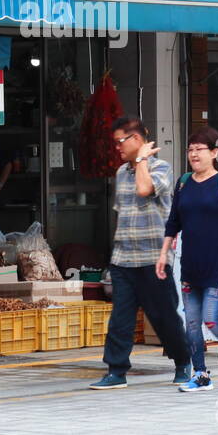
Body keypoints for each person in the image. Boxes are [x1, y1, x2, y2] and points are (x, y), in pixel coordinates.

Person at [89, 116, 193, 390]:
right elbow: (121, 214)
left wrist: (142, 161)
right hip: (123, 259)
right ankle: (116, 370)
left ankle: (183, 362)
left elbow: (145, 188)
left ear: (136, 140)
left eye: (120, 142)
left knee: (164, 316)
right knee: (120, 318)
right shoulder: (121, 173)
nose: (117, 148)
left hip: (154, 259)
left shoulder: (162, 168)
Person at [156, 126, 218, 392]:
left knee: (210, 317)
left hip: (217, 262)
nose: (194, 154)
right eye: (190, 149)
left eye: (200, 149)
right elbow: (173, 221)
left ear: (214, 152)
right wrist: (163, 253)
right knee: (192, 322)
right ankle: (201, 374)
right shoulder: (184, 182)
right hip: (191, 264)